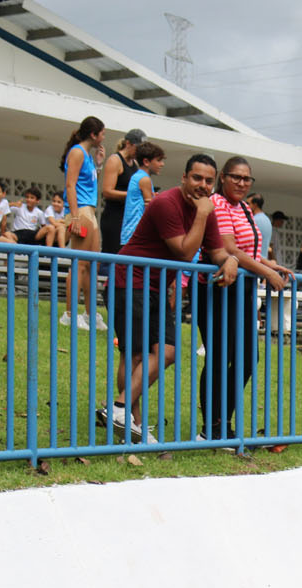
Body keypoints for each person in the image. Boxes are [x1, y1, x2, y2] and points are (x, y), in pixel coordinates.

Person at [98, 153, 237, 443]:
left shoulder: (205, 210)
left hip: (157, 287)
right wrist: (201, 214)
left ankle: (121, 410)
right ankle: (129, 421)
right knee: (134, 354)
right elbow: (185, 252)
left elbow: (217, 250)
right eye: (197, 178)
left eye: (209, 181)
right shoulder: (166, 204)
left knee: (168, 351)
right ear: (184, 178)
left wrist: (231, 261)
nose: (203, 185)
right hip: (129, 280)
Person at [199, 155, 292, 441]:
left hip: (242, 292)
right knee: (219, 357)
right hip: (218, 288)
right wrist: (266, 271)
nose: (241, 183)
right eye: (235, 177)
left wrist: (269, 264)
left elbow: (246, 252)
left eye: (246, 179)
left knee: (247, 358)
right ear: (223, 178)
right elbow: (229, 249)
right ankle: (213, 428)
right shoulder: (217, 204)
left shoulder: (244, 209)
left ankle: (222, 421)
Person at [59, 115, 106, 331]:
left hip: (89, 210)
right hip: (81, 211)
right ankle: (70, 314)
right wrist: (75, 216)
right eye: (102, 133)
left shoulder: (87, 155)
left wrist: (98, 165)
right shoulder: (77, 152)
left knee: (90, 265)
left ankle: (88, 312)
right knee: (79, 265)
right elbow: (70, 185)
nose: (104, 137)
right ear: (93, 134)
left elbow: (88, 182)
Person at [99, 128, 145, 256]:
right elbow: (107, 191)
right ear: (128, 144)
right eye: (138, 149)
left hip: (129, 218)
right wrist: (133, 196)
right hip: (114, 217)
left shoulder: (135, 163)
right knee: (114, 256)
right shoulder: (115, 160)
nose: (139, 153)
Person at [120, 142, 165, 246]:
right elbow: (150, 210)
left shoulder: (137, 176)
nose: (162, 164)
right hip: (137, 237)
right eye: (158, 160)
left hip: (129, 235)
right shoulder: (144, 179)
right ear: (146, 162)